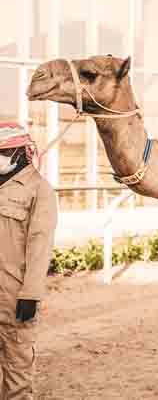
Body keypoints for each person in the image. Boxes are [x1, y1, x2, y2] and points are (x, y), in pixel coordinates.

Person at [0, 122, 57, 400]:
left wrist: (31, 295)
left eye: (3, 151)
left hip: (15, 299)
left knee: (17, 373)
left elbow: (40, 245)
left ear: (21, 152)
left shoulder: (40, 190)